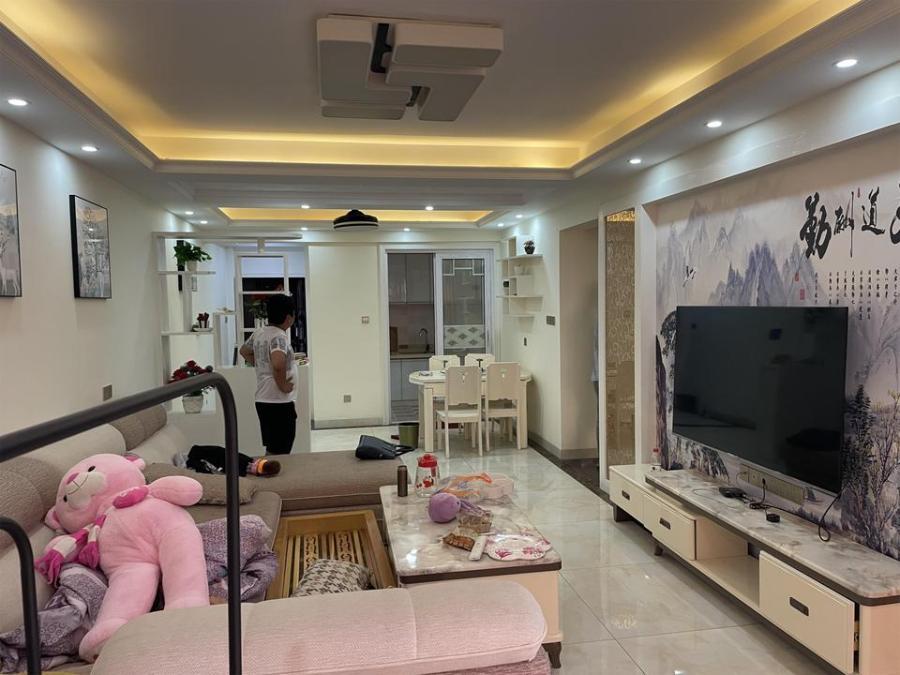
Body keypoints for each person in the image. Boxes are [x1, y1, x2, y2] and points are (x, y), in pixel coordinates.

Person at [239, 294, 297, 455]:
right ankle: (268, 471)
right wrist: (283, 386)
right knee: (281, 450)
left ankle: (267, 469)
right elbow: (278, 364)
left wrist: (261, 365)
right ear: (288, 317)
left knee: (273, 448)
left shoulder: (259, 333)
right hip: (278, 401)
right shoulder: (279, 337)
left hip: (264, 399)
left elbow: (244, 351)